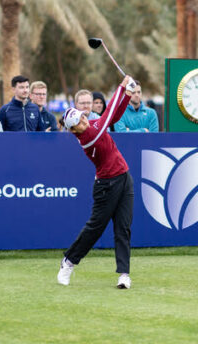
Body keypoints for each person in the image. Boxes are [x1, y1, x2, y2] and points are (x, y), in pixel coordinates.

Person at [58, 75, 136, 289]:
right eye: (80, 122)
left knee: (123, 227)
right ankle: (69, 261)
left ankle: (123, 274)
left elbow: (114, 117)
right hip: (106, 186)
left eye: (83, 117)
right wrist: (121, 87)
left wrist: (127, 95)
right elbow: (109, 113)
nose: (85, 120)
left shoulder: (91, 124)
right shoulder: (88, 135)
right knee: (95, 228)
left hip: (124, 177)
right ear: (74, 130)